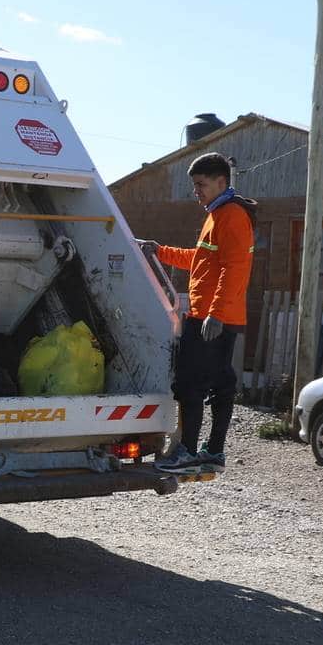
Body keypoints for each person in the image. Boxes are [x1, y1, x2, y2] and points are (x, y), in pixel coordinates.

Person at [139, 151, 256, 473]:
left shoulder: (231, 215)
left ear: (222, 181)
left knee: (190, 383)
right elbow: (201, 260)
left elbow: (235, 269)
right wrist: (159, 251)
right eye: (194, 186)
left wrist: (214, 314)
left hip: (212, 319)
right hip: (213, 316)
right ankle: (212, 452)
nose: (196, 192)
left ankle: (188, 451)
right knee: (219, 383)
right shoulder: (217, 214)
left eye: (201, 184)